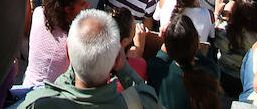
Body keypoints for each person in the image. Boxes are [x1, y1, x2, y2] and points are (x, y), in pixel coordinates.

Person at [19, 8, 163, 109]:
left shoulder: (38, 103)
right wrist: (124, 68)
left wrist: (77, 57)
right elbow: (146, 94)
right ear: (117, 59)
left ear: (68, 53)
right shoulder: (139, 103)